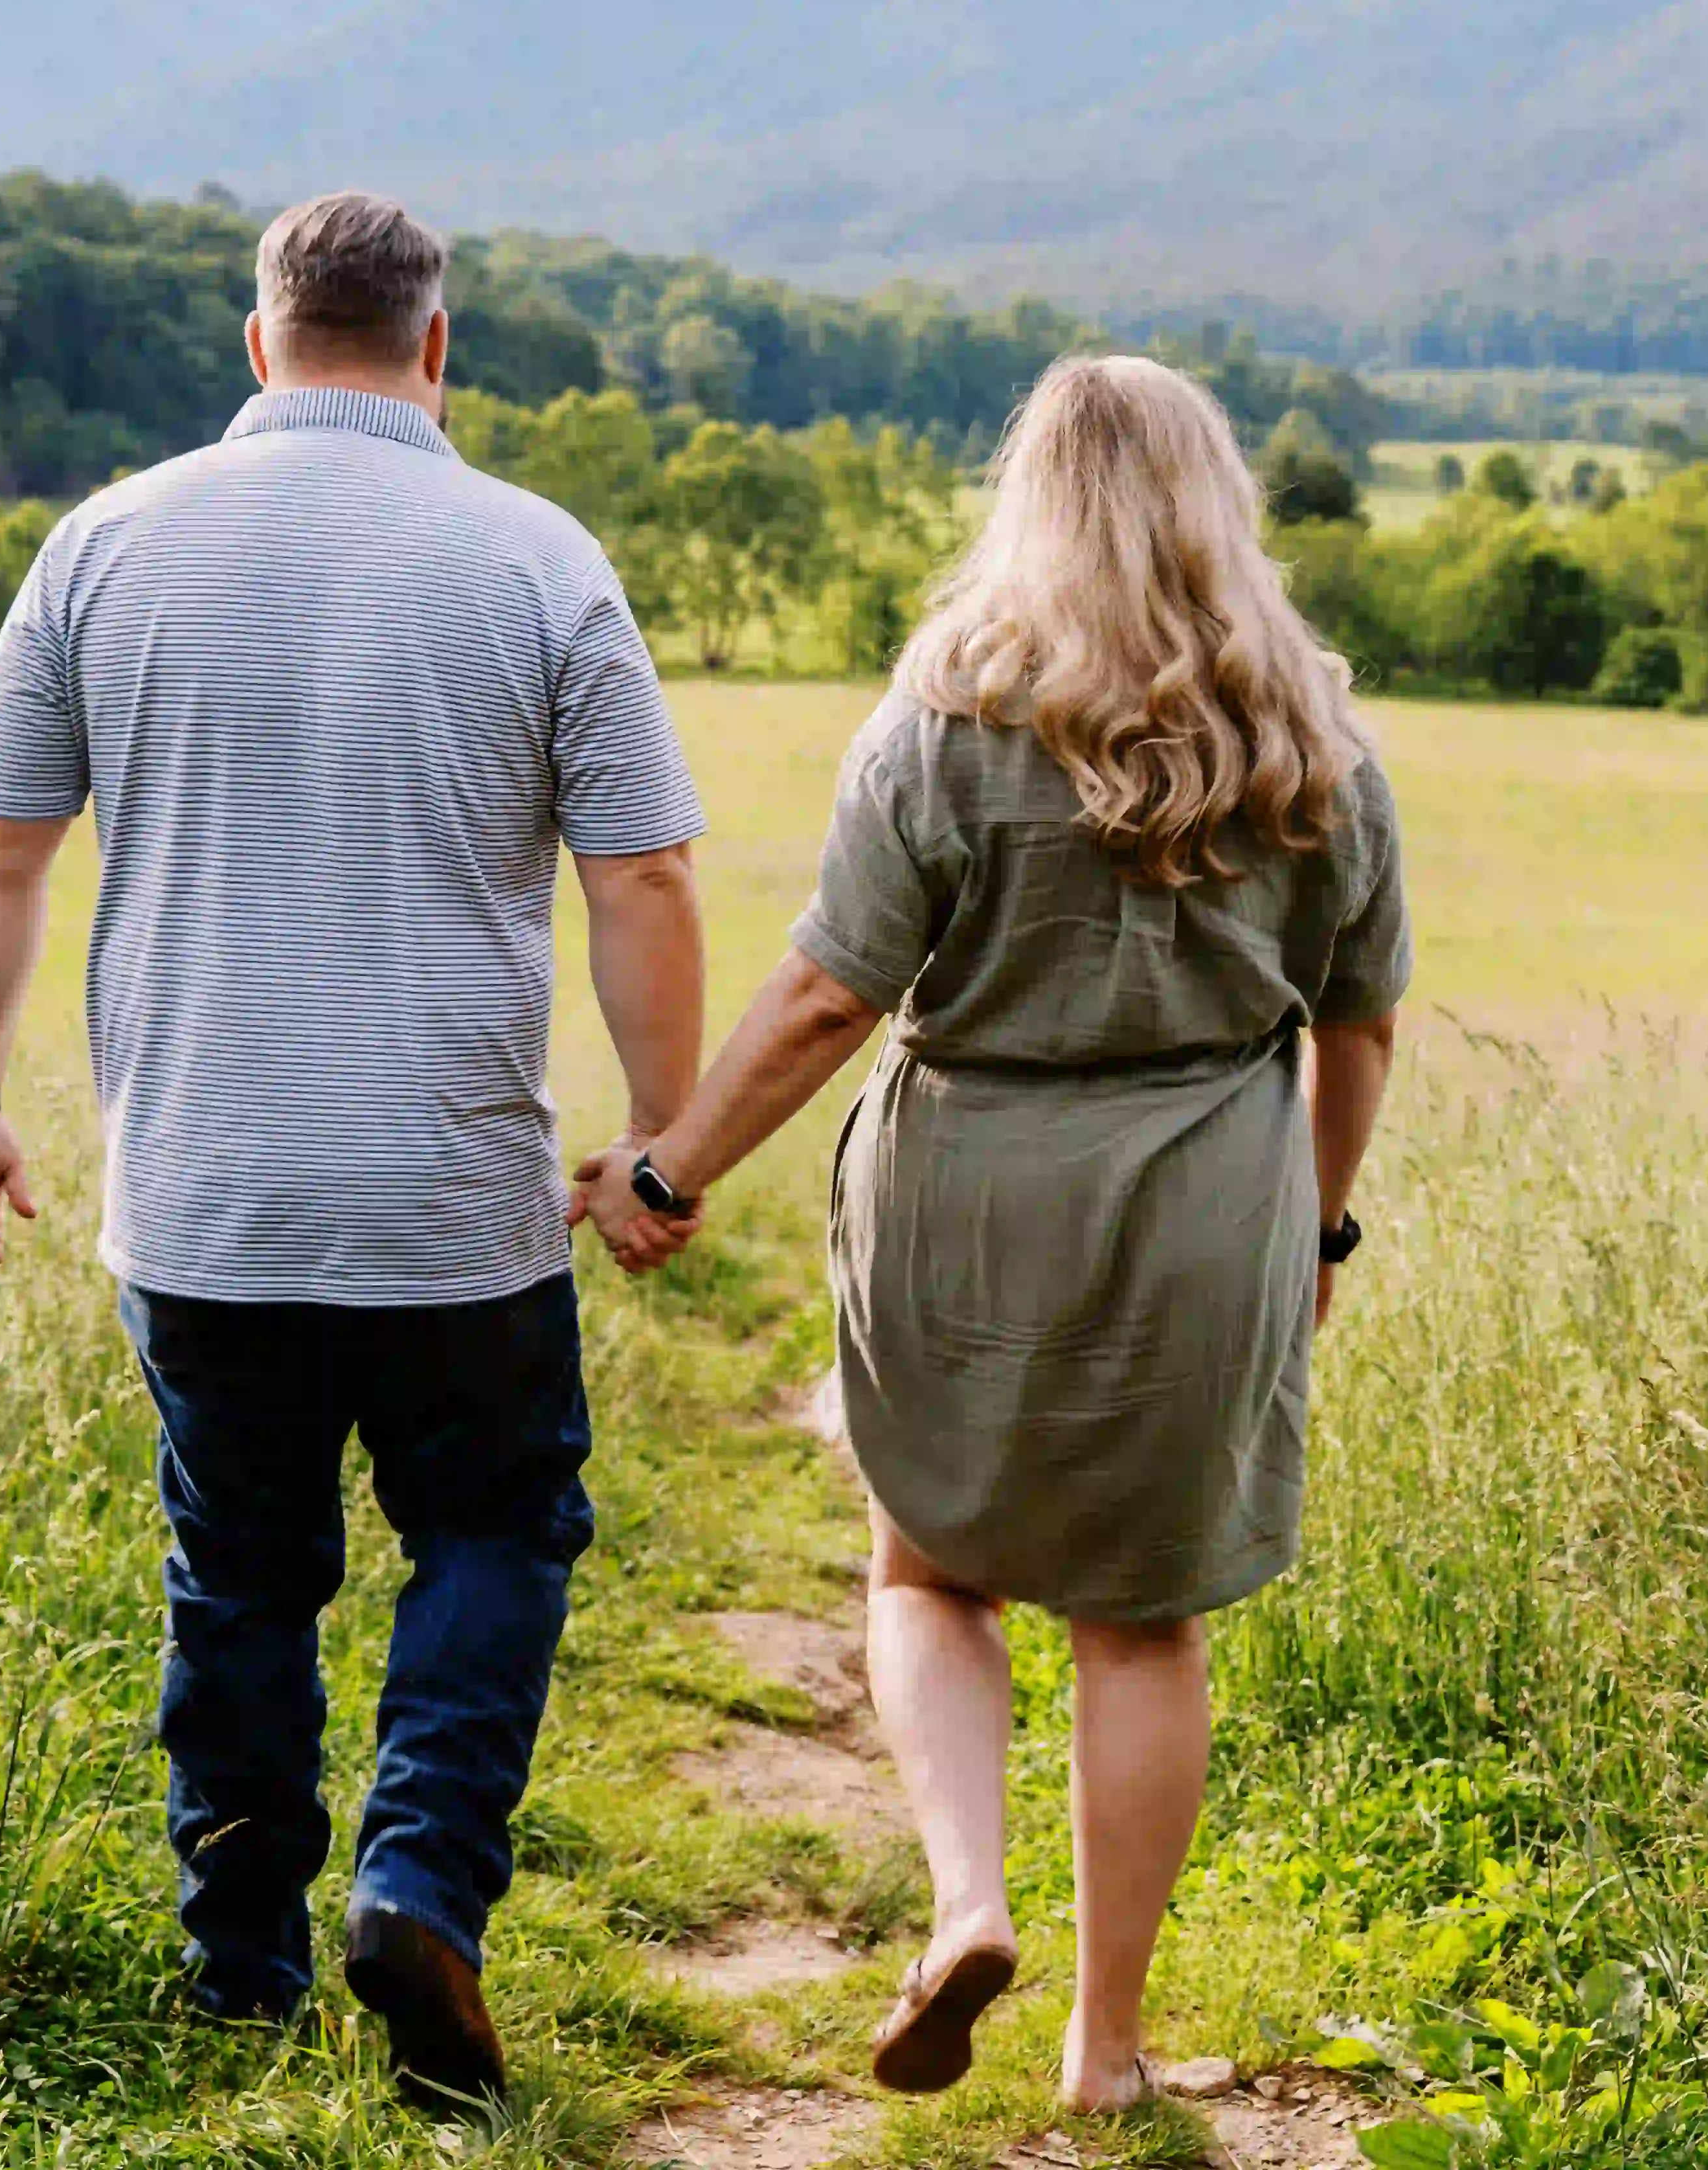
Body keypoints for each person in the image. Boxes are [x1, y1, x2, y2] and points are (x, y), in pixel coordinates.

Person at [0, 192, 709, 2108]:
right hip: (454, 1199)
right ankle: (421, 1881)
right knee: (498, 1528)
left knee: (240, 1579)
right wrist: (655, 1138)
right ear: (437, 351)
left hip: (205, 1193)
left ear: (259, 343)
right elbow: (646, 872)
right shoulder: (538, 558)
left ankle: (240, 1970)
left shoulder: (101, 544)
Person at [574, 354, 1409, 2113]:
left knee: (924, 1566)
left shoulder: (946, 720)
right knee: (1145, 1620)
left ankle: (967, 1904)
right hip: (1207, 1204)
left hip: (962, 1178)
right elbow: (1362, 1025)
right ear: (1218, 503)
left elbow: (823, 999)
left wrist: (671, 1171)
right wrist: (1317, 1233)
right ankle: (1106, 2054)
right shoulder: (1315, 746)